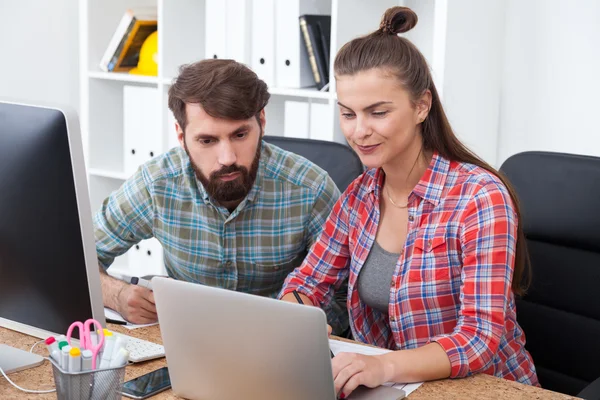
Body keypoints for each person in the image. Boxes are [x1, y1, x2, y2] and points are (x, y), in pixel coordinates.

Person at [279, 6, 539, 397]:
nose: (359, 131)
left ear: (421, 106)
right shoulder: (359, 196)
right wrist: (296, 311)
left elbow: (479, 339)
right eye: (347, 114)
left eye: (378, 112)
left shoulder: (479, 197)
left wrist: (383, 366)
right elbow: (308, 281)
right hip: (393, 387)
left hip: (485, 389)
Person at [95, 59, 348, 335]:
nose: (227, 159)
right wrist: (116, 295)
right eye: (207, 141)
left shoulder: (311, 189)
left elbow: (346, 300)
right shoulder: (156, 185)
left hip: (283, 348)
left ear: (261, 122)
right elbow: (79, 258)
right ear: (181, 136)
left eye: (240, 134)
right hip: (190, 345)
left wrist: (303, 317)